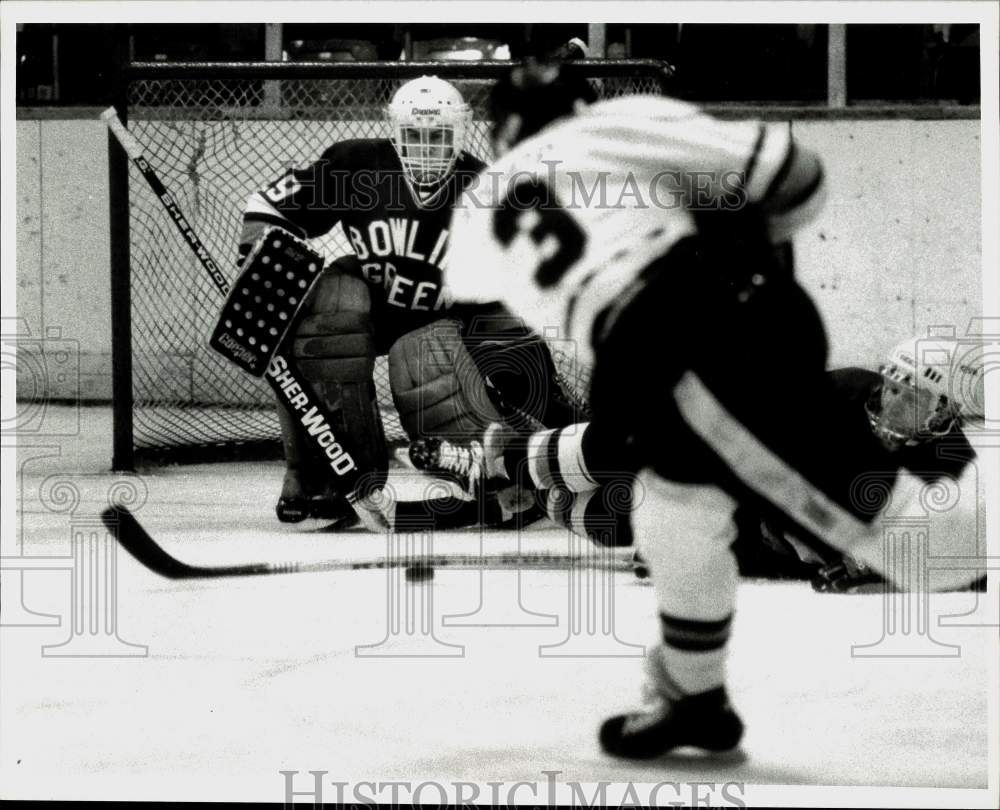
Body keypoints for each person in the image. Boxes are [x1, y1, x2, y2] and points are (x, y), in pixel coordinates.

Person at [442, 62, 983, 759]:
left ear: (502, 132)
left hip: (678, 348)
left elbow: (495, 311)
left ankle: (693, 692)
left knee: (922, 553)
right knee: (673, 510)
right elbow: (800, 175)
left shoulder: (478, 205)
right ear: (582, 103)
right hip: (721, 320)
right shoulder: (621, 119)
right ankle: (694, 698)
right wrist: (740, 254)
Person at [238, 75, 576, 523]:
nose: (426, 147)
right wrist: (259, 260)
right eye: (414, 135)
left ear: (460, 132)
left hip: (443, 320)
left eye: (438, 136)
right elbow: (267, 207)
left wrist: (548, 405)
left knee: (420, 358)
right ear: (393, 131)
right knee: (326, 312)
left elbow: (514, 301)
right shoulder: (356, 165)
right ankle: (324, 474)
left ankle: (498, 472)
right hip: (375, 303)